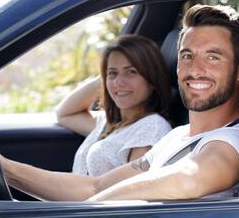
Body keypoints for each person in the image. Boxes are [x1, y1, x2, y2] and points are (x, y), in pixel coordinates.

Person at [0, 4, 239, 202]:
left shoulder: (237, 142)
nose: (195, 69)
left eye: (213, 57)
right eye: (187, 56)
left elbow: (189, 178)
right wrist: (6, 170)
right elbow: (95, 186)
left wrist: (92, 208)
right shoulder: (177, 137)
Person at [55, 34, 174, 176]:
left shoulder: (152, 127)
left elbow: (131, 189)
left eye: (131, 72)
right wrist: (106, 78)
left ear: (152, 79)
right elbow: (64, 113)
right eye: (112, 73)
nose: (119, 83)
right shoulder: (109, 122)